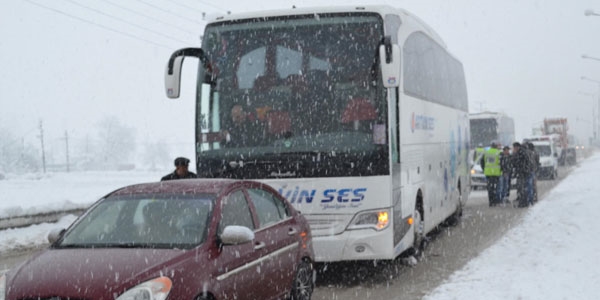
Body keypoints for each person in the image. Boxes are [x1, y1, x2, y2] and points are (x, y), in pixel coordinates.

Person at [481, 142, 502, 206]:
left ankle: (491, 201)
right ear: (496, 146)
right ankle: (495, 201)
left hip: (488, 173)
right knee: (496, 188)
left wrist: (484, 169)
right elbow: (502, 162)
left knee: (490, 188)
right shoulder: (498, 152)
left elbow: (482, 162)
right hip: (496, 173)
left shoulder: (486, 152)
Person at [511, 142, 532, 208]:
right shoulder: (522, 152)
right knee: (522, 188)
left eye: (514, 147)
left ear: (517, 147)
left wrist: (514, 156)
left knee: (521, 188)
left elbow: (517, 163)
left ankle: (523, 203)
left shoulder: (521, 153)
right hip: (523, 172)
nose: (514, 149)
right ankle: (524, 202)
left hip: (522, 173)